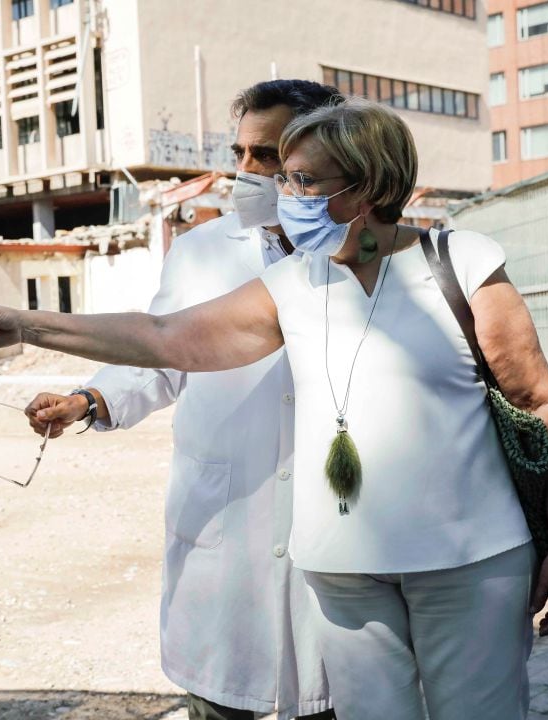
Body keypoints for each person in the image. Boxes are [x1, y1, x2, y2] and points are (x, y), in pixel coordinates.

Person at [0, 97, 548, 720]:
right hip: (343, 574)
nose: (283, 197)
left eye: (302, 181)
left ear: (368, 186)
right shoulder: (293, 282)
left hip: (469, 564)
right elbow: (163, 338)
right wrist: (23, 323)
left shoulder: (462, 262)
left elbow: (537, 400)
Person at [20, 79, 337, 720]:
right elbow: (162, 353)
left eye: (267, 155)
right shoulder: (200, 250)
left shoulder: (356, 254)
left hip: (329, 522)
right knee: (220, 697)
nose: (246, 170)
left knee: (328, 693)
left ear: (320, 155)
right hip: (225, 519)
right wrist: (89, 397)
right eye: (240, 152)